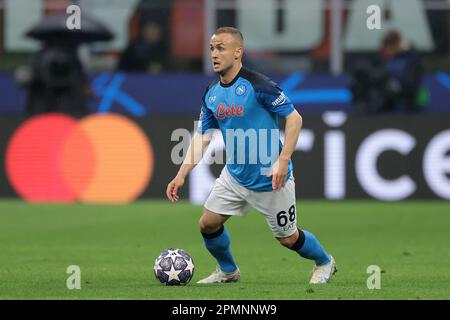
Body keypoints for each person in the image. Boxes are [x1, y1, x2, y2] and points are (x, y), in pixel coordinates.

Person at [166, 27, 336, 284]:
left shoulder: (259, 85)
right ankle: (228, 271)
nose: (214, 54)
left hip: (271, 179)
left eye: (221, 48)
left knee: (287, 238)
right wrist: (180, 175)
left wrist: (283, 161)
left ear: (238, 52)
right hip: (235, 176)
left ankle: (324, 262)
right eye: (212, 48)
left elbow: (294, 119)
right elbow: (203, 137)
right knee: (207, 224)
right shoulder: (211, 93)